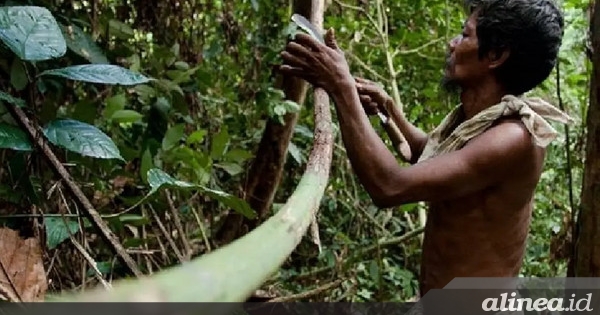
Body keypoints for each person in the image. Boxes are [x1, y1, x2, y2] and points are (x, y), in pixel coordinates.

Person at [279, 0, 573, 300]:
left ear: (496, 55)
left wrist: (341, 86)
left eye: (465, 35)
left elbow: (389, 186)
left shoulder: (512, 137)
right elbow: (433, 158)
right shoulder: (482, 121)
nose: (452, 43)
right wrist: (388, 110)